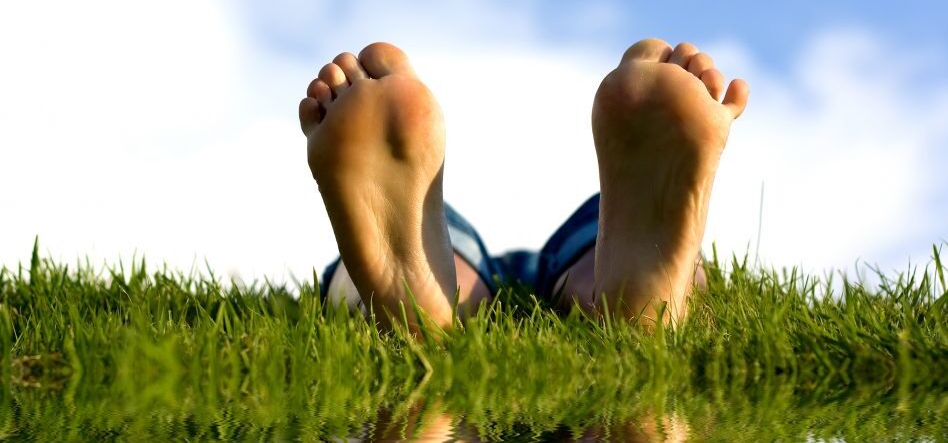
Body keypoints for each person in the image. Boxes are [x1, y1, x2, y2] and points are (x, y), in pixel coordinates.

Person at [300, 39, 748, 330]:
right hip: (586, 249)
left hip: (454, 253)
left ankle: (425, 296)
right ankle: (639, 296)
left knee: (442, 243)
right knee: (595, 234)